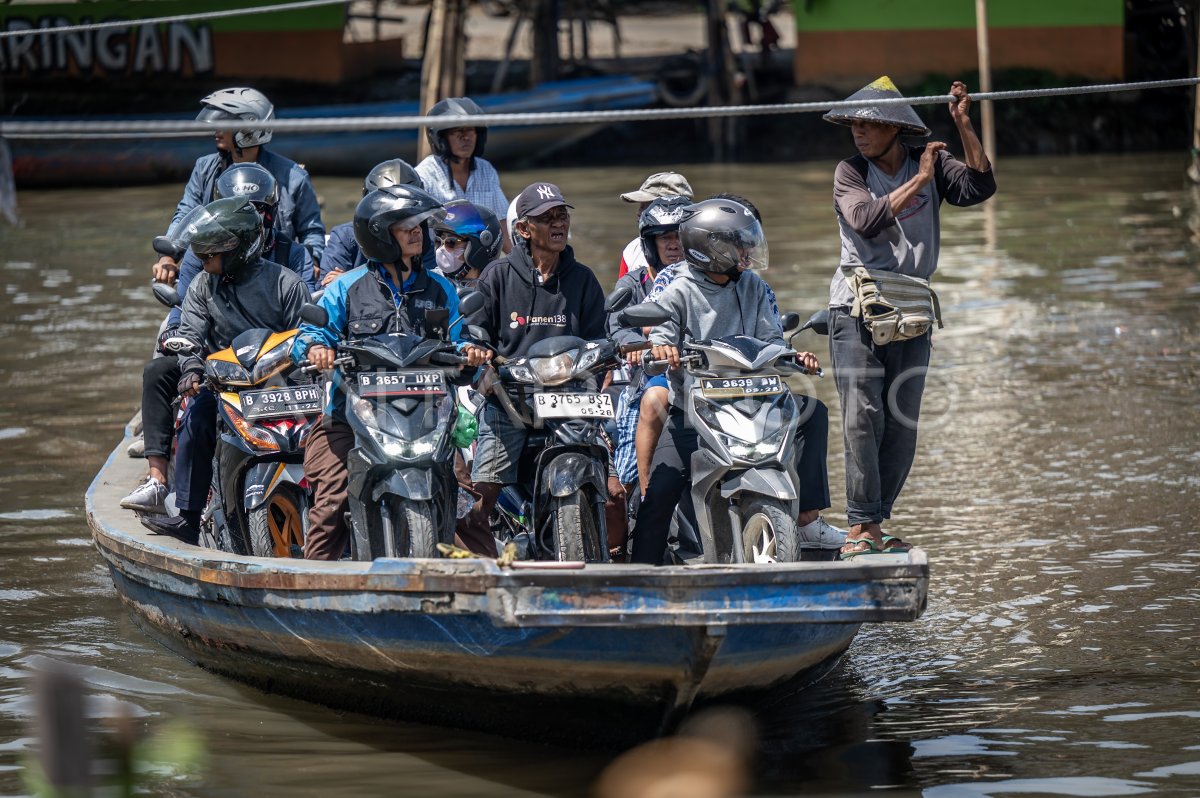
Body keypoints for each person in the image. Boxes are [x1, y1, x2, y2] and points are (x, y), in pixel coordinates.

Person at [822, 77, 996, 559]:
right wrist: (919, 181)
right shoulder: (850, 171)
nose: (858, 132)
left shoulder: (935, 161)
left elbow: (980, 186)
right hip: (855, 307)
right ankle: (862, 527)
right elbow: (865, 220)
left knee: (901, 421)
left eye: (868, 124)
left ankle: (876, 521)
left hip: (912, 307)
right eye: (853, 124)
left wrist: (963, 125)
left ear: (896, 128)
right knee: (863, 418)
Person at [630, 197, 844, 565]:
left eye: (748, 241)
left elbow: (771, 340)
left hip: (755, 403)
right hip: (696, 410)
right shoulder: (678, 288)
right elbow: (660, 333)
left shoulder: (753, 287)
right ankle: (641, 582)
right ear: (710, 249)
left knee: (813, 412)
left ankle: (807, 520)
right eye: (739, 243)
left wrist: (793, 357)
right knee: (658, 498)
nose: (747, 250)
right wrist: (662, 349)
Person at [123, 198, 310, 542]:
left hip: (282, 384)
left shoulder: (287, 283)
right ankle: (189, 517)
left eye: (210, 255)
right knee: (194, 415)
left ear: (237, 249)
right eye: (202, 255)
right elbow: (190, 336)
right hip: (225, 385)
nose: (203, 261)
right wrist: (192, 370)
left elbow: (306, 337)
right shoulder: (200, 288)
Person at [291, 185, 462, 561]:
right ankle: (315, 591)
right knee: (332, 500)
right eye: (407, 226)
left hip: (425, 416)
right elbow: (309, 335)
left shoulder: (441, 289)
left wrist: (473, 352)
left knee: (463, 492)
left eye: (420, 225)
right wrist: (318, 349)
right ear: (380, 234)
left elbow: (460, 337)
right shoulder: (346, 288)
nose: (418, 232)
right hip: (349, 419)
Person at [459, 182, 618, 556]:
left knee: (614, 491)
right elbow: (475, 331)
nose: (558, 223)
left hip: (572, 400)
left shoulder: (584, 280)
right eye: (547, 218)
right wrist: (477, 349)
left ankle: (614, 559)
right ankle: (472, 567)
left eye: (562, 215)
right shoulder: (497, 276)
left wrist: (612, 358)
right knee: (482, 496)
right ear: (524, 230)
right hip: (510, 400)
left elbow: (600, 339)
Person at [151, 88, 326, 285]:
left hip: (274, 273)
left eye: (224, 125)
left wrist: (314, 260)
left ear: (249, 130)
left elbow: (311, 231)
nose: (216, 131)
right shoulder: (204, 169)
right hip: (216, 268)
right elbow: (186, 213)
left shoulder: (294, 177)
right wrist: (168, 257)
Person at [608, 195, 690, 499]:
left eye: (679, 236)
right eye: (664, 238)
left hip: (703, 377)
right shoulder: (632, 284)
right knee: (620, 484)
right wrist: (639, 346)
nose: (673, 244)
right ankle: (644, 496)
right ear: (649, 245)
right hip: (646, 377)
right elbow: (618, 327)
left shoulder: (705, 281)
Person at [415, 97, 511, 252]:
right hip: (440, 264)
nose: (465, 138)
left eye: (470, 130)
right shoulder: (424, 176)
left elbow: (503, 227)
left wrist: (527, 267)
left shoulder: (486, 170)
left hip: (482, 262)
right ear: (441, 138)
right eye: (457, 131)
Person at [321, 158, 429, 286]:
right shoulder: (344, 236)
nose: (414, 230)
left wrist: (349, 280)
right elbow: (326, 286)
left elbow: (431, 283)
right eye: (390, 214)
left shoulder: (426, 238)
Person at [616, 171, 694, 279]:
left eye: (646, 206)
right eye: (664, 237)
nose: (639, 213)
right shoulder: (632, 250)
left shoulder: (703, 249)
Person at [432, 199, 502, 295]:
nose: (441, 249)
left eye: (451, 242)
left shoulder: (500, 289)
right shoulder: (431, 283)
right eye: (438, 241)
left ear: (478, 247)